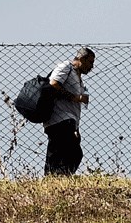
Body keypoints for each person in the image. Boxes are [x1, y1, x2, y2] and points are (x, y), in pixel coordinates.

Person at [43, 47, 95, 176]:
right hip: (59, 119)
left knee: (67, 153)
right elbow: (53, 83)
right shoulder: (66, 66)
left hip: (69, 121)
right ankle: (55, 179)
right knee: (68, 153)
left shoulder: (79, 78)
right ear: (82, 59)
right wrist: (75, 97)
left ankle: (56, 179)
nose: (92, 67)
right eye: (90, 62)